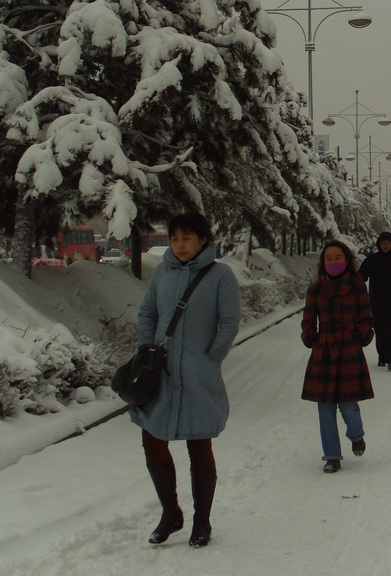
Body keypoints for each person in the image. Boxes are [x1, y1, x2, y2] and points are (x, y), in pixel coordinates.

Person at [131, 211, 240, 548]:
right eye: (174, 238)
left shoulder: (221, 276)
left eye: (186, 238)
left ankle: (202, 521)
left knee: (199, 443)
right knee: (152, 441)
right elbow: (148, 312)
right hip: (161, 372)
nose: (179, 244)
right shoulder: (163, 272)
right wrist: (147, 346)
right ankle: (170, 513)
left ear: (203, 239)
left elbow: (230, 322)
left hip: (197, 375)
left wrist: (211, 359)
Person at [301, 240, 375, 473]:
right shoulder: (315, 288)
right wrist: (311, 338)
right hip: (324, 349)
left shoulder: (357, 285)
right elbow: (308, 318)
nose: (333, 262)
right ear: (323, 262)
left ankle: (356, 435)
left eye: (338, 258)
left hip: (349, 348)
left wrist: (362, 335)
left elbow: (366, 317)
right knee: (325, 407)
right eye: (328, 258)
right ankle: (332, 455)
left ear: (347, 260)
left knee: (348, 405)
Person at [359, 232, 391, 370]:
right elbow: (360, 277)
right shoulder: (372, 260)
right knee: (379, 329)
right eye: (383, 242)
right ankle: (382, 356)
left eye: (388, 242)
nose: (386, 245)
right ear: (379, 244)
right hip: (376, 302)